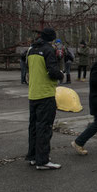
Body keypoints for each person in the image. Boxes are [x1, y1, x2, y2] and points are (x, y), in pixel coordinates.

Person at [26, 27, 64, 170]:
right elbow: (52, 72)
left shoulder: (30, 50)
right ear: (52, 38)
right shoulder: (48, 50)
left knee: (34, 127)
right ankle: (43, 160)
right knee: (45, 127)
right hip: (46, 93)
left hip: (33, 93)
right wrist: (61, 74)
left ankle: (34, 156)